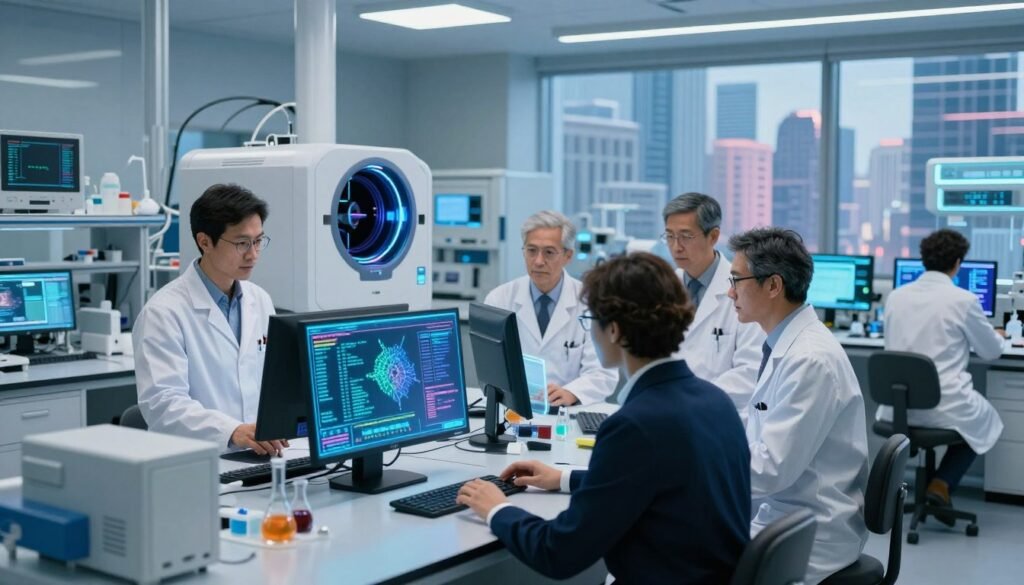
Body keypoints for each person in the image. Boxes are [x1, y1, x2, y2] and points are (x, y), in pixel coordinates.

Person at [458, 253, 751, 584]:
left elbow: (558, 552)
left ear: (614, 330)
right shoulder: (716, 402)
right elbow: (654, 479)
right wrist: (565, 478)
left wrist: (497, 509)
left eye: (590, 319)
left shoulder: (635, 426)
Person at [727, 227, 868, 585]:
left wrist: (699, 463)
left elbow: (771, 469)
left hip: (809, 534)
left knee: (675, 557)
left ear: (773, 286)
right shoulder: (786, 346)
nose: (730, 292)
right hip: (785, 513)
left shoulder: (809, 360)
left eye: (736, 280)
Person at [134, 183, 287, 455]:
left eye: (258, 241)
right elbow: (163, 405)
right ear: (204, 242)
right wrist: (232, 431)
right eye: (242, 243)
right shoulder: (163, 313)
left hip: (260, 457)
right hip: (197, 461)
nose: (253, 254)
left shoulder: (260, 300)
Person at [882, 228, 1004, 514]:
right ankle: (941, 483)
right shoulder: (964, 300)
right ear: (958, 263)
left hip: (897, 407)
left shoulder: (896, 297)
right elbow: (991, 351)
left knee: (978, 420)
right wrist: (998, 335)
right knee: (988, 420)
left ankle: (932, 489)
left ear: (923, 259)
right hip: (943, 407)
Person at [484, 210, 617, 407]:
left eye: (549, 252)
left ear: (568, 256)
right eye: (531, 250)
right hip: (515, 409)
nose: (538, 261)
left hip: (571, 410)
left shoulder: (591, 302)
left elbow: (603, 371)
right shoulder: (499, 299)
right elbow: (490, 366)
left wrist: (572, 392)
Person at [662, 193, 764, 415]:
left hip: (717, 414)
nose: (676, 247)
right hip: (668, 409)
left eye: (686, 236)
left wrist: (691, 399)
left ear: (713, 236)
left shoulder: (744, 289)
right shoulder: (663, 289)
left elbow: (750, 371)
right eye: (670, 236)